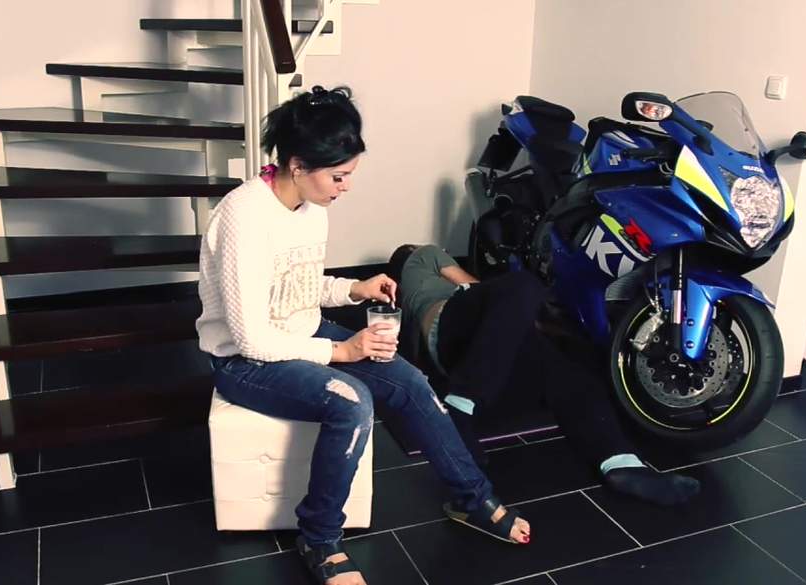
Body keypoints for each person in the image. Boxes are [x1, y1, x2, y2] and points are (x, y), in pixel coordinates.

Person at [197, 87, 530, 585]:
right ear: (297, 165)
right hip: (245, 362)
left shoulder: (311, 208)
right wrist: (341, 350)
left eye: (349, 174)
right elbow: (251, 339)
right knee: (352, 402)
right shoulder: (243, 218)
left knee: (411, 382)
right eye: (338, 176)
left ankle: (472, 499)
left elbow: (299, 284)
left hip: (301, 333)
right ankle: (319, 538)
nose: (346, 187)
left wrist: (354, 288)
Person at [389, 244, 701, 507]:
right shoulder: (420, 257)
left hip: (466, 355)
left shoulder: (408, 299)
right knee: (524, 284)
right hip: (453, 327)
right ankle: (459, 405)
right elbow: (477, 285)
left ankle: (621, 463)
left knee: (568, 374)